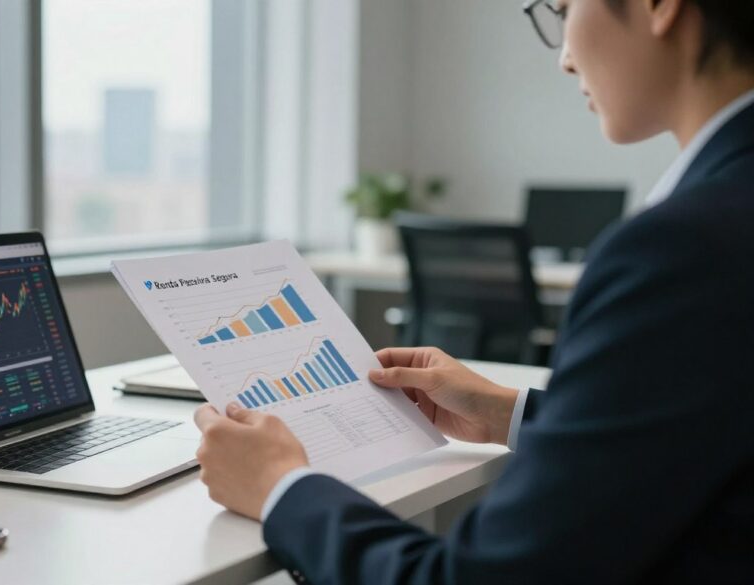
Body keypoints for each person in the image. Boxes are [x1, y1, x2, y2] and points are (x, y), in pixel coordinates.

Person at [192, 0, 754, 583]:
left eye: (563, 9)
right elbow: (695, 433)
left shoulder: (682, 249)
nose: (564, 58)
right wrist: (508, 412)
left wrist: (283, 488)